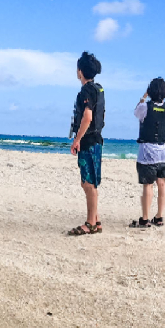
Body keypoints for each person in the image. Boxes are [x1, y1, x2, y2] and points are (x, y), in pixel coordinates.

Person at [67, 51, 105, 236]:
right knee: (89, 183)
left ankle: (90, 223)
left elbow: (87, 117)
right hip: (96, 140)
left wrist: (77, 139)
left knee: (88, 183)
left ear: (80, 71)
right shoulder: (99, 89)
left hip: (88, 141)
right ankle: (95, 219)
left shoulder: (86, 91)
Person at [130, 76, 165, 229]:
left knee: (148, 184)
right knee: (162, 183)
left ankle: (145, 218)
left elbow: (136, 113)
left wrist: (143, 97)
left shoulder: (145, 107)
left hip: (147, 150)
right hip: (164, 151)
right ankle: (159, 216)